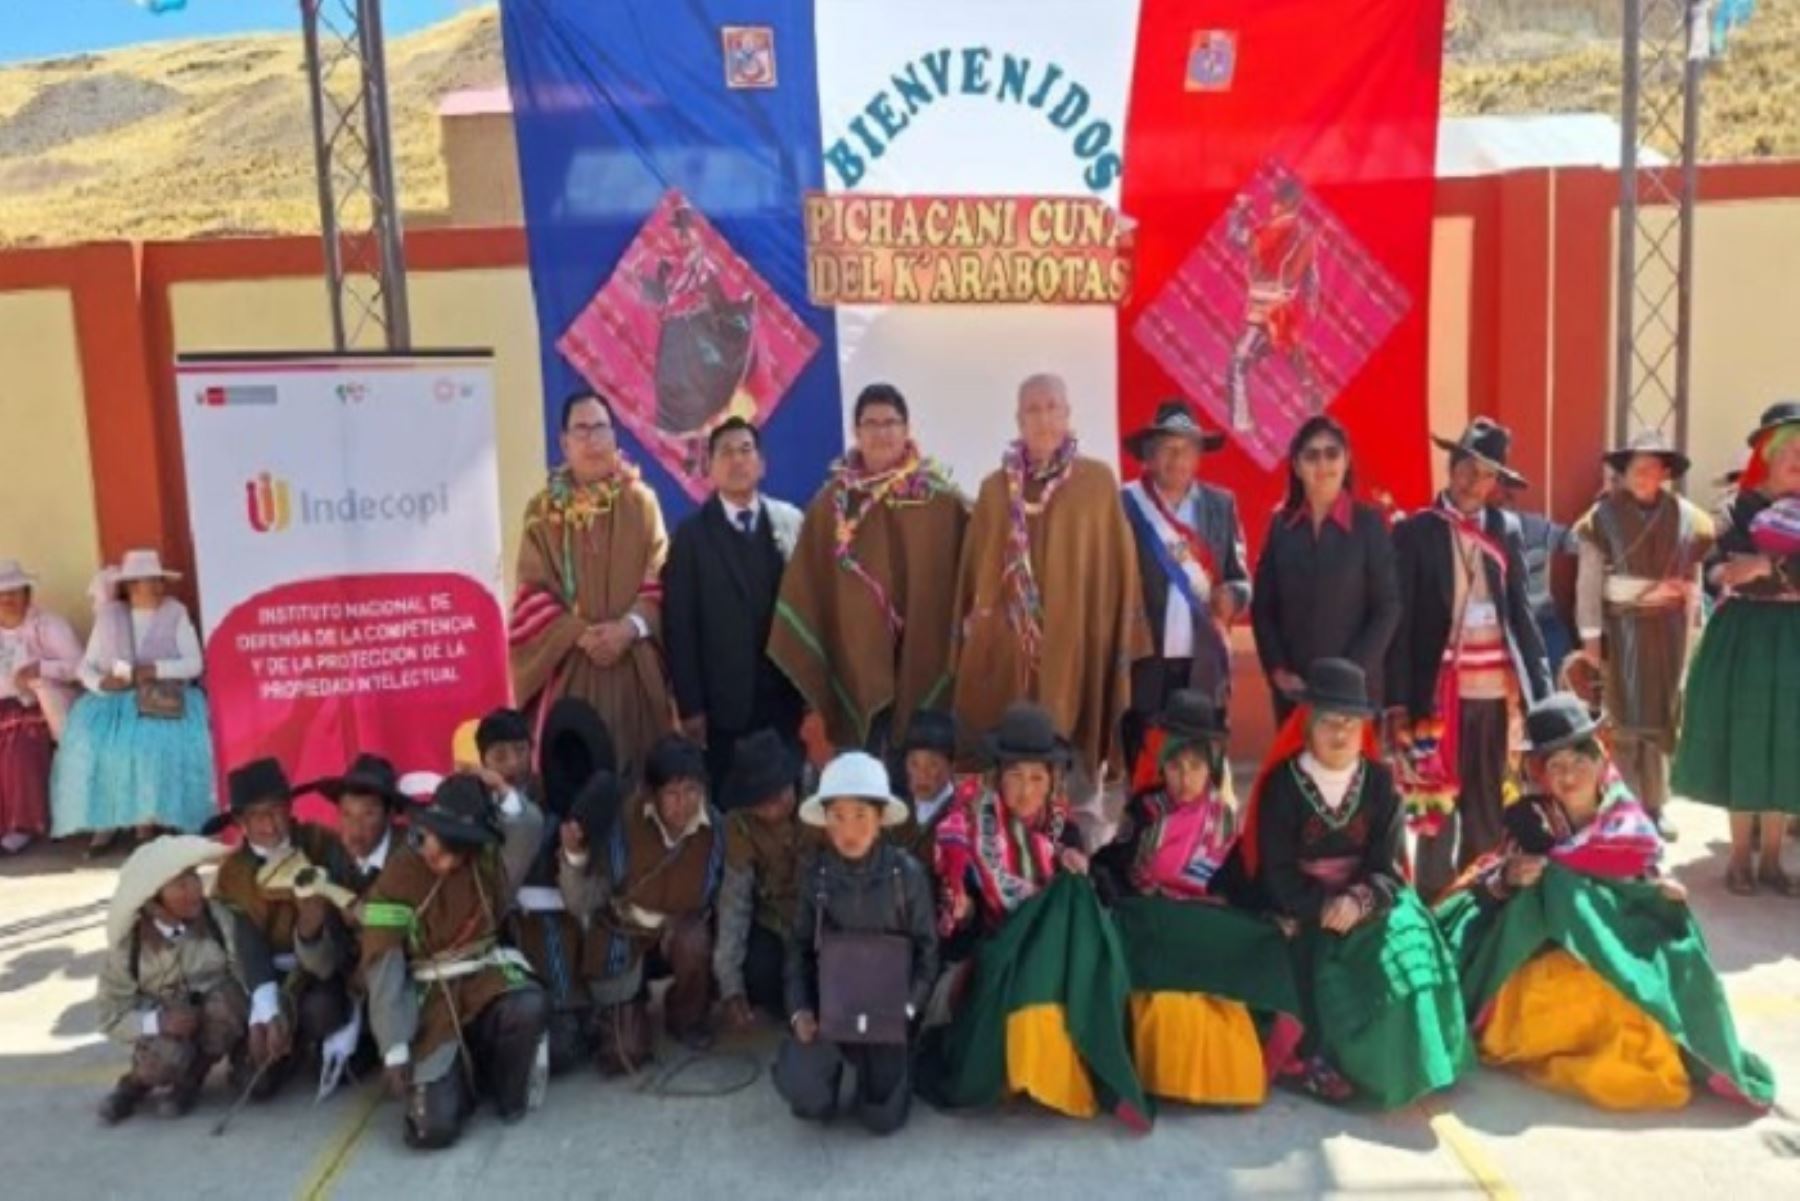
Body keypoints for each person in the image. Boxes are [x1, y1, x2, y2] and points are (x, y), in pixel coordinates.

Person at [1436, 694, 1774, 1111]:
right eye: (1555, 766)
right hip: (1547, 949)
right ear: (1541, 775)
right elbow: (1502, 896)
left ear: (1601, 762)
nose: (1569, 775)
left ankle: (1710, 1055)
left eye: (1579, 761)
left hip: (1611, 946)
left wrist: (1659, 889)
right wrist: (1511, 878)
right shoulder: (1529, 819)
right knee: (1560, 904)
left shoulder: (1629, 822)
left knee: (1664, 951)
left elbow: (1638, 887)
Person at [1242, 659, 1468, 1108]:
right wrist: (1323, 907)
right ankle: (1327, 1060)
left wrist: (1360, 900)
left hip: (1366, 901)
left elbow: (1386, 865)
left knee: (1406, 948)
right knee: (1312, 966)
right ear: (1308, 724)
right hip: (1302, 908)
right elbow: (1276, 871)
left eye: (1349, 722)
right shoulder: (1283, 786)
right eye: (1328, 721)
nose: (1340, 734)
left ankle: (1420, 1055)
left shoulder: (1381, 784)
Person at [919, 703, 1150, 1130]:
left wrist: (1084, 871)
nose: (1025, 791)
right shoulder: (968, 826)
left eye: (1036, 778)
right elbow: (956, 929)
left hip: (1053, 956)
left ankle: (1097, 1060)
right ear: (998, 777)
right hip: (999, 952)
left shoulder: (1067, 831)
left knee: (1076, 892)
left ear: (1052, 782)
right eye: (1016, 777)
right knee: (1067, 899)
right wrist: (965, 909)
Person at [952, 373, 1146, 837]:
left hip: (1076, 653)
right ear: (1018, 419)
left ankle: (1078, 876)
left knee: (1077, 792)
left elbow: (1115, 574)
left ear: (1067, 414)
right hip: (1008, 663)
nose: (1043, 418)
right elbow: (974, 577)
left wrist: (1108, 642)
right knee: (1008, 787)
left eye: (1051, 407)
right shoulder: (996, 490)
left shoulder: (1096, 483)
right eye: (1033, 409)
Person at [1094, 691, 1304, 1108]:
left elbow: (1239, 883)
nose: (1184, 778)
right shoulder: (1145, 809)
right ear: (1162, 764)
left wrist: (1271, 914)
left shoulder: (1223, 818)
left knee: (1263, 938)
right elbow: (1113, 865)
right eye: (1175, 766)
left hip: (1199, 921)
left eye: (1194, 766)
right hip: (1150, 921)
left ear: (1211, 766)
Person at [1388, 420, 1551, 898]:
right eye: (1467, 469)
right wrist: (1398, 701)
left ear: (1495, 483)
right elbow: (1402, 625)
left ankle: (1477, 906)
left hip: (1494, 694)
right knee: (1434, 812)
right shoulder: (1416, 532)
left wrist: (1539, 693)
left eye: (1485, 475)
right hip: (1437, 698)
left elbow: (1522, 614)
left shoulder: (1507, 529)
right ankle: (1435, 910)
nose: (1473, 483)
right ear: (1451, 466)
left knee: (1486, 811)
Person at [770, 382, 967, 754]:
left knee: (924, 771)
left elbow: (972, 571)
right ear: (856, 432)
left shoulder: (940, 500)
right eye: (870, 424)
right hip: (855, 667)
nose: (881, 433)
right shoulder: (832, 504)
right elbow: (809, 587)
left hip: (926, 658)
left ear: (907, 430)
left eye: (890, 422)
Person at [361, 773, 549, 1150]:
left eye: (458, 850)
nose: (444, 859)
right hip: (431, 1000)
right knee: (432, 1129)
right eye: (439, 842)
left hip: (485, 977)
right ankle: (454, 1081)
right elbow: (383, 960)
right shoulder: (399, 875)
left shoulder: (487, 861)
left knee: (528, 1004)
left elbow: (526, 833)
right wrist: (394, 1046)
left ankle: (503, 1091)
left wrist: (504, 793)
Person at [510, 391, 674, 779]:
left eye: (600, 428)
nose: (592, 440)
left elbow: (661, 576)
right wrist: (579, 633)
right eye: (581, 430)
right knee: (574, 785)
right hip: (570, 666)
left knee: (639, 786)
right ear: (564, 443)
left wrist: (628, 629)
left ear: (616, 437)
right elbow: (530, 595)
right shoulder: (541, 511)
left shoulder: (641, 502)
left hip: (633, 669)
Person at [773, 751, 938, 1135]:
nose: (849, 830)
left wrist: (908, 1009)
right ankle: (827, 1071)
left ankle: (884, 1072)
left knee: (882, 1118)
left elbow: (928, 953)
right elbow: (797, 948)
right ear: (826, 822)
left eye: (861, 815)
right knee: (808, 1097)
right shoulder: (817, 876)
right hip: (833, 1012)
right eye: (838, 817)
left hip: (888, 1016)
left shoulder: (907, 876)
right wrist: (800, 1012)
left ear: (880, 819)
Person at [1674, 401, 1800, 895]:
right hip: (1744, 634)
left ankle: (1773, 860)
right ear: (1767, 453)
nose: (1797, 456)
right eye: (1787, 447)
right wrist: (1739, 570)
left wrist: (1765, 568)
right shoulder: (1736, 509)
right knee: (1746, 734)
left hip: (1793, 634)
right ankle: (1740, 859)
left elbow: (1759, 568)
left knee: (1788, 740)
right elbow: (1715, 569)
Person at [1572, 430, 1715, 841]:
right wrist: (1591, 641)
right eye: (1635, 468)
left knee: (1664, 719)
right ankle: (1624, 806)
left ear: (1665, 472)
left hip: (1670, 631)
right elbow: (1588, 582)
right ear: (1624, 473)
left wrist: (1696, 633)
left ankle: (1656, 805)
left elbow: (1694, 577)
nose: (1642, 475)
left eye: (1651, 468)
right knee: (1622, 723)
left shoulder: (1691, 520)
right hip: (1622, 630)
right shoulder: (1600, 519)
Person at [559, 734, 723, 1074]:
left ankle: (687, 1016)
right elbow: (583, 903)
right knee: (624, 1054)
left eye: (692, 790)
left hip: (678, 932)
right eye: (672, 794)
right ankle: (628, 1008)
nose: (685, 804)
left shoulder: (716, 830)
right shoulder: (620, 825)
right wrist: (574, 857)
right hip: (622, 934)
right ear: (652, 794)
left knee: (694, 940)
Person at [663, 416, 805, 787]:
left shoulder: (791, 523)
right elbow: (680, 627)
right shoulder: (691, 537)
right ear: (709, 467)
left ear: (761, 463)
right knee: (731, 806)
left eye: (746, 450)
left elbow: (811, 612)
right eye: (726, 452)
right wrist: (690, 708)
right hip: (723, 708)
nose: (738, 460)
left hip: (786, 702)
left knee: (786, 798)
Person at [204, 758, 355, 1101]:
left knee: (322, 1010)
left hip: (320, 968)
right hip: (262, 978)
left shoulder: (321, 844)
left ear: (290, 808)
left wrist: (312, 928)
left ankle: (311, 1042)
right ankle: (275, 1044)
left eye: (276, 812)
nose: (270, 826)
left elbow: (345, 917)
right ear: (241, 822)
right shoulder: (233, 874)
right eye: (257, 816)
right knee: (254, 1084)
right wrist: (267, 1008)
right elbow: (244, 945)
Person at [50, 549, 216, 852]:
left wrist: (156, 669)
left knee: (148, 742)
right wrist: (103, 683)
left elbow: (194, 663)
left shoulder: (175, 612)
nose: (155, 588)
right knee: (93, 743)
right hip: (115, 700)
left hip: (163, 696)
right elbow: (85, 667)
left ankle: (148, 820)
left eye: (157, 581)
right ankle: (106, 820)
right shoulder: (110, 616)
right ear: (131, 586)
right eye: (147, 582)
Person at [1118, 399, 1249, 771]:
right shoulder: (1126, 505)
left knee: (1198, 772)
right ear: (1149, 455)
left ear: (1198, 456)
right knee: (1144, 769)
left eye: (1186, 449)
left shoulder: (1220, 506)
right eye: (1168, 449)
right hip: (1144, 664)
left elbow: (1242, 580)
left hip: (1203, 664)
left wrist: (1233, 596)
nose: (1177, 459)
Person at [1252, 416, 1401, 725]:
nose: (1323, 464)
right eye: (1311, 455)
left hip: (1355, 693)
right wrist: (1278, 670)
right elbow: (1263, 608)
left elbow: (1387, 608)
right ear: (1296, 466)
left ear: (1346, 460)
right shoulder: (1282, 527)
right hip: (1296, 692)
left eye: (1332, 453)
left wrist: (1350, 673)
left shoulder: (1368, 524)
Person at [95, 836, 247, 1124]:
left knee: (228, 1005)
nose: (194, 891)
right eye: (180, 885)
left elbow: (244, 976)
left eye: (194, 879)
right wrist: (158, 1021)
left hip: (213, 1018)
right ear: (154, 901)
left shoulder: (219, 920)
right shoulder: (130, 948)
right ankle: (135, 1084)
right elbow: (110, 1016)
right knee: (167, 1056)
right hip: (165, 1033)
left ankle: (192, 1079)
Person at [496, 700, 609, 1074]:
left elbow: (584, 897)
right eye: (500, 755)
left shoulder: (559, 797)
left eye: (520, 751)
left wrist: (573, 855)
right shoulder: (474, 809)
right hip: (503, 940)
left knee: (562, 1052)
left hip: (559, 936)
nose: (512, 765)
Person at [714, 729, 817, 1028]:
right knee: (759, 971)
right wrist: (730, 987)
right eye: (763, 801)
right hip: (775, 923)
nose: (773, 808)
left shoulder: (823, 802)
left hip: (821, 916)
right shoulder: (739, 827)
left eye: (779, 795)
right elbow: (734, 902)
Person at [0, 559, 81, 854]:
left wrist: (42, 669)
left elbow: (78, 667)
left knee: (18, 745)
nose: (6, 600)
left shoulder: (50, 625)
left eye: (13, 592)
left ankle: (21, 825)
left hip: (43, 703)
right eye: (1, 594)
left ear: (27, 594)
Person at [887, 708, 961, 870]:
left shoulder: (962, 816)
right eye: (914, 764)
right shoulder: (896, 815)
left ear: (951, 767)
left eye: (933, 764)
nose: (922, 774)